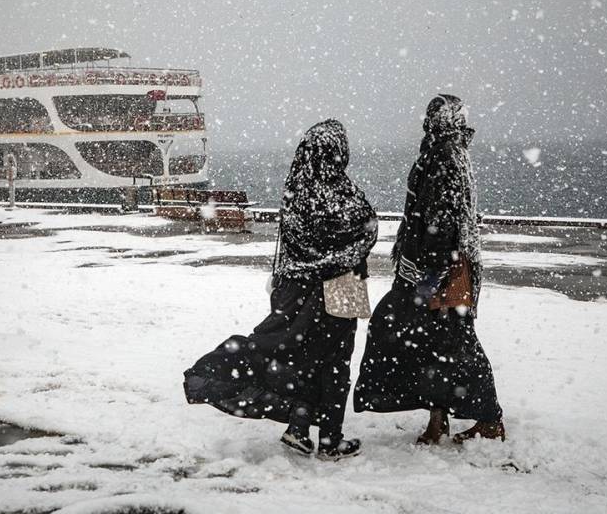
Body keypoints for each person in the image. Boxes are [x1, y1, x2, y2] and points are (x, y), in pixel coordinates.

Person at [183, 119, 378, 460]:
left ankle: (299, 427)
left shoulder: (296, 187)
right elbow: (365, 227)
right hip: (342, 287)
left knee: (296, 357)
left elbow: (296, 241)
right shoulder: (341, 191)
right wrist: (344, 253)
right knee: (334, 365)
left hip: (295, 287)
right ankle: (329, 440)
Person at [353, 95, 506, 444]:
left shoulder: (445, 157)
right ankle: (440, 420)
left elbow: (442, 222)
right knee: (435, 342)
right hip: (439, 268)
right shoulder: (450, 154)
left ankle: (488, 417)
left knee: (451, 342)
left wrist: (428, 277)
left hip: (440, 272)